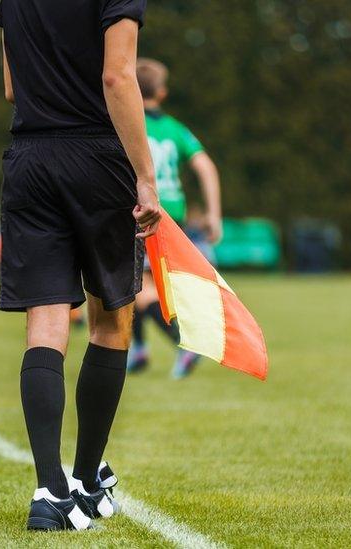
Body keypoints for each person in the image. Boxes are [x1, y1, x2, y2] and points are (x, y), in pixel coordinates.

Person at [0, 0, 160, 532]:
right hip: (97, 155)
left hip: (29, 159)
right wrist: (145, 177)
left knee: (44, 323)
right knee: (112, 319)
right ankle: (88, 482)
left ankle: (49, 492)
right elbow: (118, 76)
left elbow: (12, 87)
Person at [127, 58, 223, 380]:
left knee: (140, 289)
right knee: (137, 284)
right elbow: (206, 167)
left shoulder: (127, 122)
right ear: (162, 92)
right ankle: (138, 349)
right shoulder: (175, 129)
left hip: (142, 212)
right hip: (173, 217)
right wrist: (213, 214)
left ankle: (182, 344)